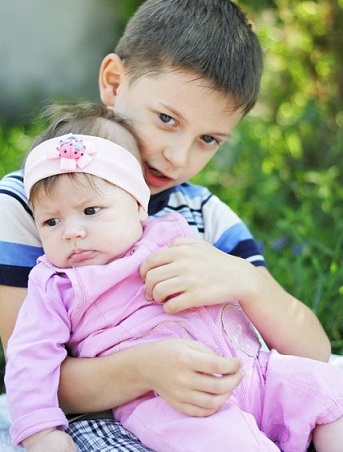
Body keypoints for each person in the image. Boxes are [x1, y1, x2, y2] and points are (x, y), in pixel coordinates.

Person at [0, 0, 333, 450]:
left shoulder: (203, 213)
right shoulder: (35, 205)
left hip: (244, 390)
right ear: (114, 83)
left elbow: (313, 353)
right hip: (117, 419)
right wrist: (146, 369)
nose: (178, 157)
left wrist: (248, 283)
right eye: (166, 119)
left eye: (208, 140)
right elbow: (36, 377)